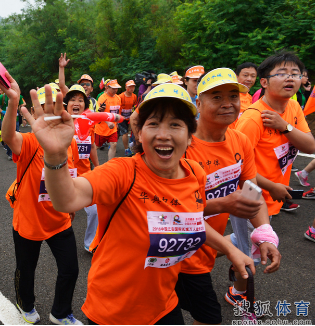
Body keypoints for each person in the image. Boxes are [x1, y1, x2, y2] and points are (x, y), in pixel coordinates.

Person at [25, 82, 255, 325]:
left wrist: (231, 250)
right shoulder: (122, 172)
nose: (163, 134)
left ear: (190, 137)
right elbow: (67, 199)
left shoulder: (195, 173)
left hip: (163, 306)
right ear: (140, 133)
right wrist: (55, 155)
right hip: (113, 311)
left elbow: (191, 221)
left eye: (175, 125)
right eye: (153, 123)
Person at [177, 68, 281, 323]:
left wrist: (265, 234)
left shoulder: (240, 141)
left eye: (233, 96)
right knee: (207, 317)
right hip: (176, 255)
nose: (227, 104)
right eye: (216, 97)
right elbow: (175, 213)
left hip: (206, 248)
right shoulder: (182, 146)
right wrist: (224, 205)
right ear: (198, 103)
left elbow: (251, 193)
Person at [0, 69, 82, 325]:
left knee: (70, 269)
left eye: (55, 107)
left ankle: (60, 312)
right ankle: (25, 303)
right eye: (44, 107)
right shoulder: (30, 142)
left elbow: (72, 178)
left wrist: (72, 205)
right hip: (29, 220)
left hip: (59, 219)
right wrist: (12, 101)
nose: (50, 112)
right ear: (34, 112)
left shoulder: (70, 142)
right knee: (26, 269)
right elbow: (8, 136)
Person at [236, 51, 315, 213]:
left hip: (275, 194)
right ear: (264, 82)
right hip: (250, 200)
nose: (290, 78)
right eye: (282, 74)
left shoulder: (293, 107)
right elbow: (238, 167)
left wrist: (284, 127)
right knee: (255, 238)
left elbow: (310, 146)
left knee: (243, 239)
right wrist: (271, 187)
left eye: (295, 74)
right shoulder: (253, 118)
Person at [64, 84, 100, 252]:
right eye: (72, 100)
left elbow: (91, 146)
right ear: (67, 104)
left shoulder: (88, 123)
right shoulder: (60, 123)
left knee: (94, 210)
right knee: (63, 215)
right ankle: (61, 244)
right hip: (65, 177)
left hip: (85, 175)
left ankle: (90, 242)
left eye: (80, 100)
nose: (76, 103)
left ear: (85, 105)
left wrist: (98, 167)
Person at [95, 79, 122, 160]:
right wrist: (107, 122)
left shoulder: (118, 98)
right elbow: (99, 113)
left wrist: (117, 124)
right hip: (101, 129)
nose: (115, 90)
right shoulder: (102, 98)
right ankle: (89, 160)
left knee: (114, 144)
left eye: (116, 88)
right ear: (107, 88)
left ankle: (109, 165)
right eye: (113, 88)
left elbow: (118, 112)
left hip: (113, 128)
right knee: (96, 146)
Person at [229, 62, 258, 128]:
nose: (249, 79)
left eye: (253, 76)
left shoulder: (250, 97)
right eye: (245, 75)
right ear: (236, 76)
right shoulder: (230, 95)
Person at [118, 80, 137, 157]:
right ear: (126, 87)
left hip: (129, 118)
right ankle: (126, 149)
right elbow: (117, 107)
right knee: (125, 133)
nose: (131, 88)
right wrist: (119, 117)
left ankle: (113, 143)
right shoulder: (121, 96)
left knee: (120, 133)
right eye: (130, 87)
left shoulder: (134, 96)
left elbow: (134, 106)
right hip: (121, 117)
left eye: (133, 87)